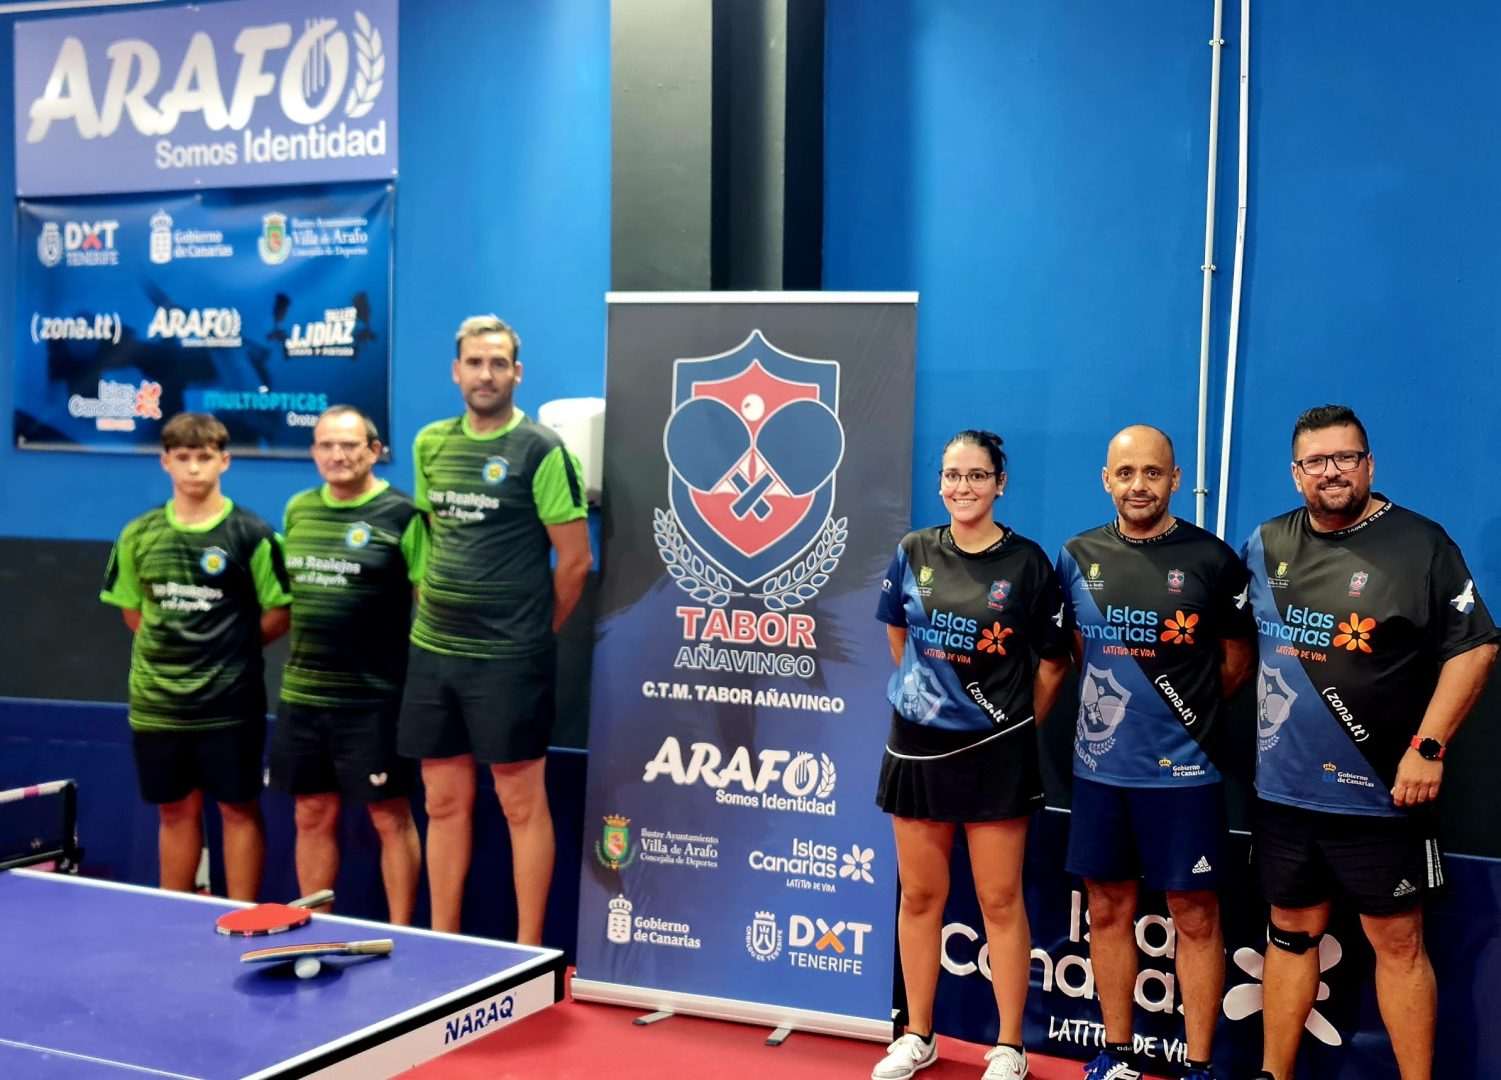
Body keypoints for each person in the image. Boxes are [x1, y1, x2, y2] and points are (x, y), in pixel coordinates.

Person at [1243, 405, 1498, 1080]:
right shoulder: (1265, 543)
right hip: (1284, 793)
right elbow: (1236, 646)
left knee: (1398, 945)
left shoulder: (1422, 544)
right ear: (1295, 473)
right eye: (1315, 461)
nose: (1331, 472)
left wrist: (1428, 747)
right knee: (1288, 935)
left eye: (1345, 458)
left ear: (1369, 464)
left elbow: (1475, 647)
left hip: (1381, 793)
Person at [1055, 425, 1255, 1080]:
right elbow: (1079, 653)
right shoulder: (1075, 556)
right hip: (1099, 773)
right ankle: (1116, 1056)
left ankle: (1199, 1066)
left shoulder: (1213, 560)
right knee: (1106, 910)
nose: (1138, 485)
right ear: (1105, 480)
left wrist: (1183, 718)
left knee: (1194, 916)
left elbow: (1236, 661)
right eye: (1125, 473)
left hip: (1185, 775)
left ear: (1174, 479)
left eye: (1151, 472)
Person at [871, 429, 1071, 1080]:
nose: (963, 487)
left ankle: (1010, 1046)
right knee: (920, 897)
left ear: (999, 484)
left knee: (1000, 901)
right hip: (917, 750)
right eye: (952, 475)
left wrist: (1008, 724)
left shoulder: (1028, 563)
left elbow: (1052, 663)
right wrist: (928, 701)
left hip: (995, 755)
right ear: (940, 483)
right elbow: (898, 636)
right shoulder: (914, 550)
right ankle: (917, 1034)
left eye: (977, 475)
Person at [399, 314, 591, 943]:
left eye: (499, 363)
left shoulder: (541, 450)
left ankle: (527, 952)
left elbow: (575, 562)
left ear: (517, 373)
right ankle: (442, 943)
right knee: (442, 802)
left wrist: (532, 633)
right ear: (457, 372)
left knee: (520, 803)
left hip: (510, 660)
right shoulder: (430, 443)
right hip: (433, 654)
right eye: (476, 363)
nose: (487, 375)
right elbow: (433, 537)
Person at [100, 412, 291, 900]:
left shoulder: (252, 534)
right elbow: (134, 614)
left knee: (238, 809)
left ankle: (243, 917)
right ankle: (175, 919)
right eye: (182, 457)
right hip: (158, 705)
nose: (193, 468)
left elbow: (278, 613)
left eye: (204, 457)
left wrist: (228, 649)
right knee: (175, 811)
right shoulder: (137, 534)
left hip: (230, 704)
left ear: (224, 461)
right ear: (165, 462)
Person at [269, 405, 428, 924]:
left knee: (389, 817)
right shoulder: (298, 509)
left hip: (373, 701)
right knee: (311, 813)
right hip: (303, 697)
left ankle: (406, 933)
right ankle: (311, 925)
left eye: (349, 445)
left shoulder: (403, 515)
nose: (337, 455)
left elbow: (427, 603)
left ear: (374, 451)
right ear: (314, 451)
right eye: (326, 445)